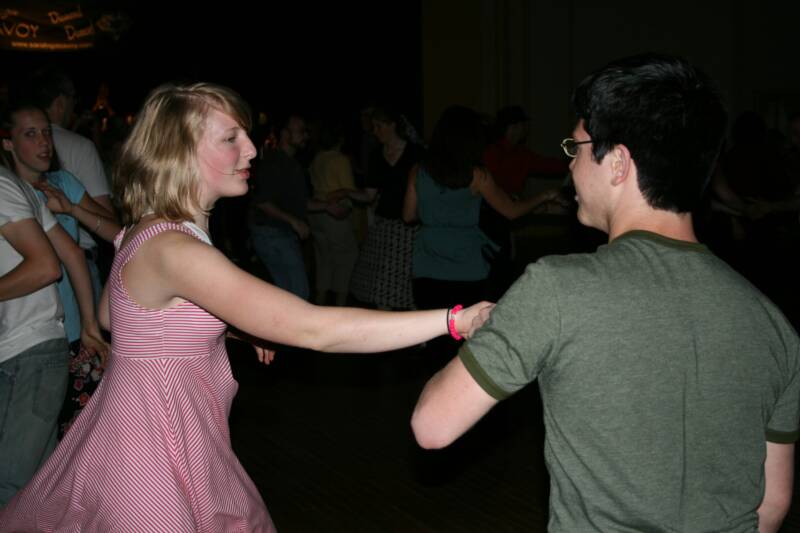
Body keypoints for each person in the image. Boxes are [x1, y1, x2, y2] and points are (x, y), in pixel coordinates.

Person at [0, 82, 492, 532]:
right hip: (150, 452)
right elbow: (314, 328)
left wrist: (230, 327)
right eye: (231, 138)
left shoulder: (145, 228)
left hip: (156, 435)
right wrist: (455, 319)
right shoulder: (175, 250)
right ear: (181, 152)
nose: (252, 149)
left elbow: (117, 317)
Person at [411, 54, 799, 532]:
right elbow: (772, 504)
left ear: (617, 162)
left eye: (576, 150)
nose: (570, 168)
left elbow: (432, 425)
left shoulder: (556, 289)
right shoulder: (772, 323)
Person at [1, 102, 118, 435]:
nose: (44, 142)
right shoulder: (8, 193)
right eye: (31, 134)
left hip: (77, 325)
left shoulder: (62, 182)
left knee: (81, 434)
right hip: (26, 332)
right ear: (8, 143)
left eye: (47, 133)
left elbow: (117, 230)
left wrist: (72, 210)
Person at [0, 165, 105, 506]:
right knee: (42, 493)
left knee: (11, 488)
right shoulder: (17, 185)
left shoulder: (3, 186)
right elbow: (71, 253)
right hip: (40, 348)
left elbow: (47, 266)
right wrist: (88, 326)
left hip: (24, 350)